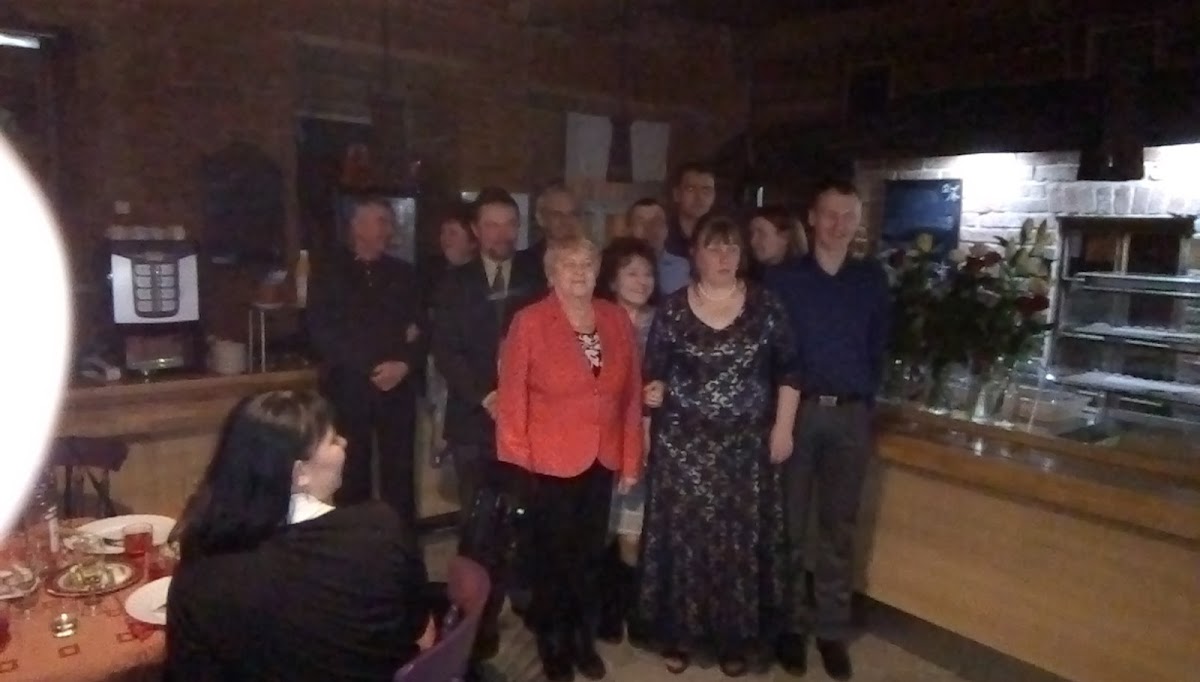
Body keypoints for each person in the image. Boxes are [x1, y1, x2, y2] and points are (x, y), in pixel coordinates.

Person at [166, 390, 435, 681]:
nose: (345, 443)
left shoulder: (199, 580)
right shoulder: (381, 529)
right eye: (333, 440)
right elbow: (422, 636)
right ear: (300, 473)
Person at [636, 214, 801, 677]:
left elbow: (790, 370)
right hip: (681, 450)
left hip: (745, 450)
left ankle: (734, 638)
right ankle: (678, 635)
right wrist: (646, 435)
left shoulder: (767, 306)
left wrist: (783, 429)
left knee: (737, 543)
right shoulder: (672, 309)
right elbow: (653, 377)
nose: (725, 256)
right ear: (696, 254)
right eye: (714, 247)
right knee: (684, 541)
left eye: (732, 247)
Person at [496, 236, 645, 682]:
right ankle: (553, 642)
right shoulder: (529, 322)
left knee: (589, 557)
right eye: (568, 264)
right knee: (552, 560)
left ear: (598, 271)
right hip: (547, 464)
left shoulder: (615, 319)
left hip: (602, 459)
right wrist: (518, 465)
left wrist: (631, 459)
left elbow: (631, 394)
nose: (579, 272)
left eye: (587, 263)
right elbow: (511, 399)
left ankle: (582, 639)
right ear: (551, 274)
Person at [765, 179, 891, 681]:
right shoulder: (784, 280)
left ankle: (832, 630)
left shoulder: (871, 279)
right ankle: (791, 627)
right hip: (796, 413)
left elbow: (879, 346)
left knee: (839, 529)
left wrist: (864, 402)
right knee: (790, 527)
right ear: (812, 219)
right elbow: (771, 352)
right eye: (830, 214)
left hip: (851, 415)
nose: (839, 225)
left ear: (858, 222)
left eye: (848, 216)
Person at [431, 186, 545, 657]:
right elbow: (446, 351)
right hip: (473, 420)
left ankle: (521, 597)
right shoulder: (454, 284)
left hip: (527, 421)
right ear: (476, 230)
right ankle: (477, 618)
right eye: (492, 224)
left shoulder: (538, 278)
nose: (502, 233)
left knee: (522, 515)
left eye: (509, 224)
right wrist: (487, 395)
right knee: (477, 524)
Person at [307, 197, 425, 527]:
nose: (389, 229)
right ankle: (354, 548)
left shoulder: (405, 274)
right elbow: (322, 333)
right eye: (381, 221)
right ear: (357, 227)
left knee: (399, 478)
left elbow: (424, 329)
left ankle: (400, 548)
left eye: (389, 221)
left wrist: (404, 364)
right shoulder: (329, 273)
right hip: (349, 390)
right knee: (351, 475)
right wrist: (370, 367)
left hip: (398, 391)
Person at [593, 236, 658, 645]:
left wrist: (663, 389)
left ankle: (634, 609)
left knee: (635, 531)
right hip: (601, 437)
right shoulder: (596, 320)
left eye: (648, 273)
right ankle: (606, 610)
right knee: (602, 526)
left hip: (649, 436)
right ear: (613, 279)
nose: (642, 281)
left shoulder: (665, 321)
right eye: (632, 272)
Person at [628, 197, 689, 295]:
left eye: (657, 221)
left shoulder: (682, 267)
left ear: (667, 229)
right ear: (630, 230)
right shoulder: (618, 268)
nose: (649, 227)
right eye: (641, 222)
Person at [524, 181, 583, 282]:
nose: (566, 220)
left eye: (572, 214)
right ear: (541, 218)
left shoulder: (593, 262)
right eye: (557, 214)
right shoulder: (523, 263)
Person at [662, 162, 717, 257]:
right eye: (690, 189)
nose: (699, 197)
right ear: (677, 194)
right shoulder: (663, 234)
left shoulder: (720, 233)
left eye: (706, 190)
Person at [747, 204, 806, 282]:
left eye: (761, 233)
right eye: (751, 234)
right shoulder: (754, 277)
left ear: (785, 237)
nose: (752, 241)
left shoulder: (801, 280)